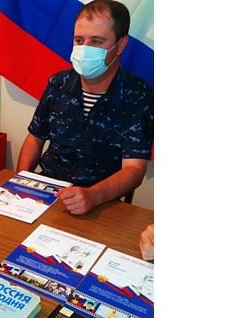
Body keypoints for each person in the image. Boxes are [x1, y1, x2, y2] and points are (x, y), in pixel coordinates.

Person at [16, 0, 153, 215]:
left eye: (96, 41)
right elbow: (35, 138)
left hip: (102, 204)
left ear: (121, 44)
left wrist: (93, 196)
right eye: (79, 40)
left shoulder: (138, 95)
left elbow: (134, 170)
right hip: (48, 193)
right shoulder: (58, 83)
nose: (84, 49)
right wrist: (21, 182)